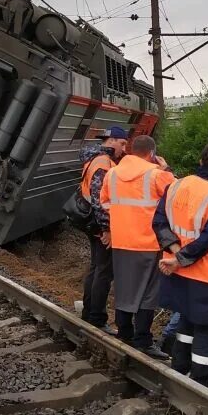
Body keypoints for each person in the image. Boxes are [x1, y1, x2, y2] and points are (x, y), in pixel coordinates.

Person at [153, 142, 208, 387]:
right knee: (207, 330)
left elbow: (158, 222)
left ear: (200, 161)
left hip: (180, 274)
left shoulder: (176, 185)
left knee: (186, 322)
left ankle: (180, 370)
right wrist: (180, 259)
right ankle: (200, 382)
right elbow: (207, 240)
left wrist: (176, 253)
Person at [100, 135, 174, 358]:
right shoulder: (156, 175)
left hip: (122, 241)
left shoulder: (112, 173)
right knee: (147, 294)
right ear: (152, 153)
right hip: (148, 242)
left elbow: (104, 203)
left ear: (132, 150)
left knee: (124, 289)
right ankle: (143, 340)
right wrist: (166, 168)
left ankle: (124, 333)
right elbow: (177, 196)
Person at [79, 126, 128, 333]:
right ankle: (96, 318)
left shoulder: (95, 159)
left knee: (96, 268)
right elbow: (101, 200)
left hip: (92, 222)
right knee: (104, 271)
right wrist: (107, 229)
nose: (124, 149)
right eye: (123, 143)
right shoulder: (103, 164)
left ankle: (88, 312)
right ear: (112, 141)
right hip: (100, 226)